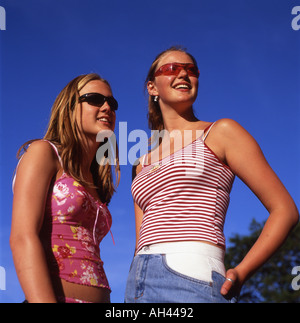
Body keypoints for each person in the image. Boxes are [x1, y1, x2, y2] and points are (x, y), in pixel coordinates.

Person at [125, 46, 299, 303]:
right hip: (137, 281)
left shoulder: (221, 132)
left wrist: (242, 271)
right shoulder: (141, 163)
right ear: (152, 87)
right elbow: (142, 238)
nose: (183, 74)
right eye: (172, 68)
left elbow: (285, 210)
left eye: (191, 70)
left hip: (191, 274)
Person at [10, 73, 120, 303]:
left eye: (112, 102)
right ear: (68, 107)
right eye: (95, 99)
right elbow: (22, 236)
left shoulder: (96, 181)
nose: (107, 107)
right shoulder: (45, 153)